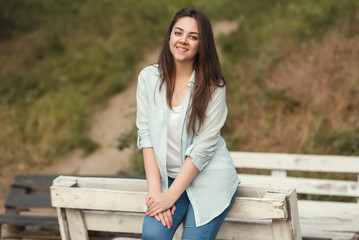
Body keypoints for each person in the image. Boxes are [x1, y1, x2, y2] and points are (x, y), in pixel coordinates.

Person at [136, 7, 240, 240]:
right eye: (178, 33)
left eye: (193, 37)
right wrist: (157, 197)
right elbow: (147, 137)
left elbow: (203, 149)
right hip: (169, 179)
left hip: (209, 178)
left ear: (202, 45)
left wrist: (171, 196)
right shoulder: (148, 79)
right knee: (153, 235)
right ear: (170, 37)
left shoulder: (214, 87)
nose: (183, 41)